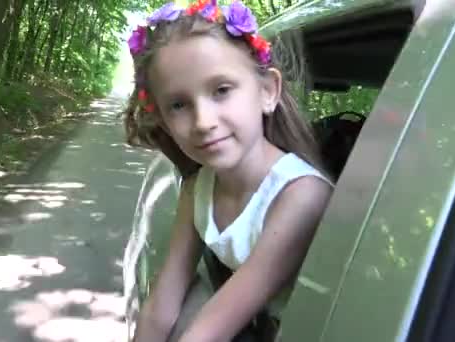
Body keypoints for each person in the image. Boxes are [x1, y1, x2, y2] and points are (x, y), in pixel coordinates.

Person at [122, 1, 333, 341]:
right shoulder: (197, 190)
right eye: (178, 104)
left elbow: (211, 329)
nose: (204, 122)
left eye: (221, 90)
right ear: (162, 118)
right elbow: (163, 303)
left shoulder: (301, 196)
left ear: (267, 92)